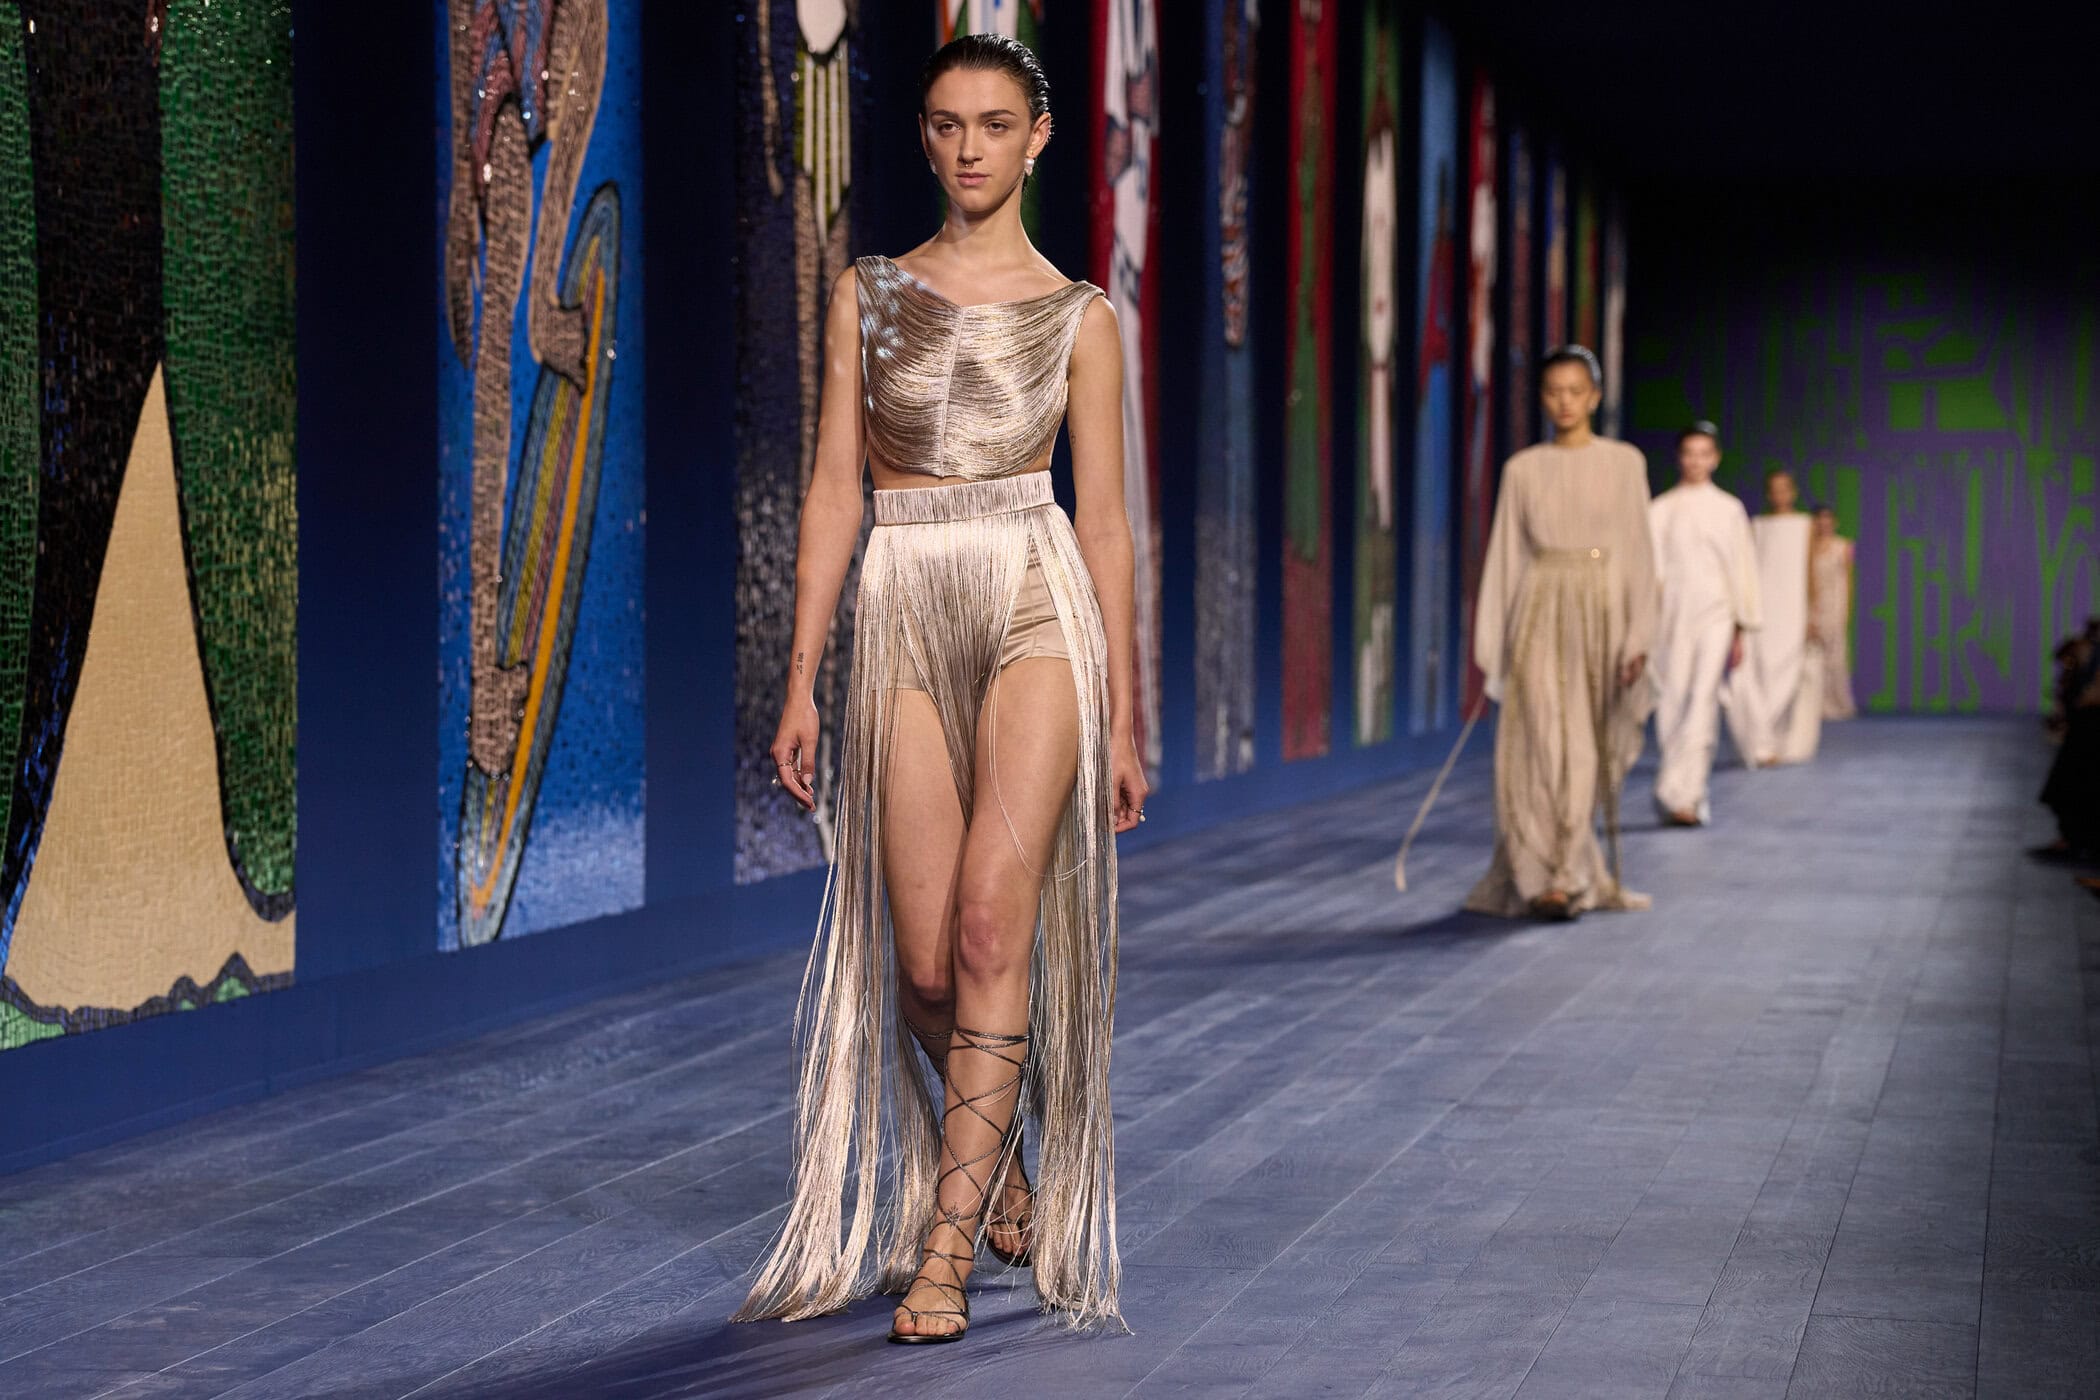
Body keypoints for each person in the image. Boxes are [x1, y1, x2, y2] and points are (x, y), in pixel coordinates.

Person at [729, 37, 1145, 1343]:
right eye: (948, 123)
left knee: (985, 933)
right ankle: (998, 1151)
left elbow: (1107, 523)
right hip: (904, 592)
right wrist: (801, 677)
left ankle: (948, 1251)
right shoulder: (867, 294)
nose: (970, 146)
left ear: (1039, 136)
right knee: (920, 961)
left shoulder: (1083, 318)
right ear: (924, 135)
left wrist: (1125, 713)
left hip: (1032, 593)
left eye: (996, 123)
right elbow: (832, 490)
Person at [1469, 346, 1658, 920]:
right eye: (1554, 392)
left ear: (1595, 396)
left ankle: (1568, 871)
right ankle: (1540, 873)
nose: (1565, 402)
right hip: (1539, 610)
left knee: (1583, 745)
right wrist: (1494, 640)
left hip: (1601, 612)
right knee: (1539, 742)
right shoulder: (1522, 469)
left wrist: (1638, 635)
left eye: (1576, 391)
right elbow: (1506, 554)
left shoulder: (1624, 463)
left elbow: (1638, 550)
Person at [1648, 422, 1761, 826]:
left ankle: (1688, 793)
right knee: (1672, 698)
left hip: (1717, 613)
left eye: (1704, 453)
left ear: (1715, 459)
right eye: (1689, 453)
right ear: (1679, 458)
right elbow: (1651, 572)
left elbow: (1742, 568)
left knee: (1703, 699)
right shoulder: (1660, 509)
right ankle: (1675, 788)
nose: (1696, 461)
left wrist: (1741, 627)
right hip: (1670, 616)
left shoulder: (1729, 509)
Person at [1724, 468, 1818, 766]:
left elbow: (1809, 569)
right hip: (1764, 607)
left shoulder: (1805, 524)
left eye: (1785, 488)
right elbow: (1749, 569)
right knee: (1760, 672)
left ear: (1793, 491)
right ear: (1768, 493)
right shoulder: (1758, 525)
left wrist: (1811, 613)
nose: (1780, 494)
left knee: (1786, 673)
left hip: (1793, 606)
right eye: (1774, 488)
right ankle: (1761, 742)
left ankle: (1766, 740)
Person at [1810, 506, 1858, 719]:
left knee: (1836, 655)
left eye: (1827, 519)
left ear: (1834, 522)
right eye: (1819, 520)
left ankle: (1839, 704)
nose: (1823, 524)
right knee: (1813, 656)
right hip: (1813, 606)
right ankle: (1816, 705)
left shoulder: (1843, 546)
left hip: (1835, 604)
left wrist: (1846, 608)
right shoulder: (1808, 547)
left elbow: (1848, 579)